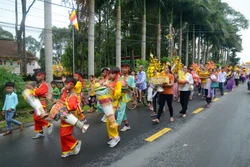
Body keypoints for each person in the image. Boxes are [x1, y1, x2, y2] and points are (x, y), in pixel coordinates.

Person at [55, 77, 82, 158]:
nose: (65, 85)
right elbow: (61, 101)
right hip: (64, 116)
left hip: (70, 117)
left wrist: (60, 102)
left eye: (66, 84)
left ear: (72, 85)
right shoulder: (67, 93)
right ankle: (67, 150)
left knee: (65, 134)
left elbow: (72, 106)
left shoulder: (73, 95)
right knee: (62, 135)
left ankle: (76, 143)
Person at [25, 71, 53, 139]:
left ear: (43, 76)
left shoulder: (44, 85)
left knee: (37, 117)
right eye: (36, 75)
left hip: (42, 104)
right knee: (35, 118)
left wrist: (31, 88)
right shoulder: (38, 85)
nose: (37, 77)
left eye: (38, 75)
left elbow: (39, 93)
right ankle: (40, 132)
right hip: (37, 103)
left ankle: (48, 125)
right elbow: (34, 93)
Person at [103, 67, 121, 147]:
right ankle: (113, 136)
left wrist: (109, 86)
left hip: (114, 103)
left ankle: (116, 136)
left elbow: (117, 94)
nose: (111, 75)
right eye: (110, 73)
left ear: (117, 74)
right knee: (108, 121)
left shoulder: (118, 83)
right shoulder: (109, 82)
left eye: (113, 73)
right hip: (108, 103)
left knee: (111, 121)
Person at [118, 63, 135, 132]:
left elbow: (133, 88)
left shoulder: (130, 78)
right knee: (122, 112)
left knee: (119, 111)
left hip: (125, 96)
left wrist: (128, 85)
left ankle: (116, 127)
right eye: (123, 68)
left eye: (125, 68)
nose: (124, 69)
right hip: (118, 96)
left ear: (128, 69)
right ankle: (127, 125)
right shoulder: (119, 77)